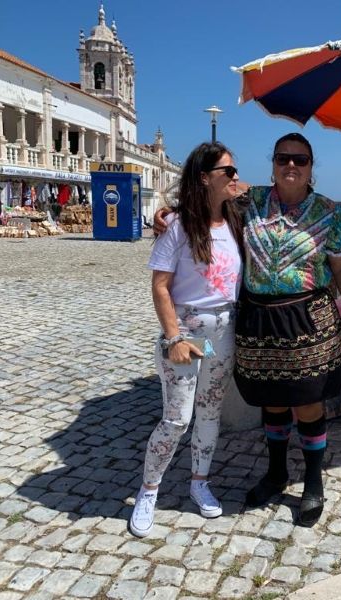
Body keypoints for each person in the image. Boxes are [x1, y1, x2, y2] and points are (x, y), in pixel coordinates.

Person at [155, 132, 341, 527]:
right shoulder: (249, 202)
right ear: (272, 164)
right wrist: (170, 213)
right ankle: (276, 473)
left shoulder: (330, 213)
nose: (291, 165)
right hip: (259, 322)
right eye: (283, 158)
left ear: (311, 167)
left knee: (307, 403)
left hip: (307, 321)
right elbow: (207, 203)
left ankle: (312, 482)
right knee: (272, 402)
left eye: (300, 159)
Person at [129, 142, 243, 538]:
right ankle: (148, 491)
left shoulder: (235, 221)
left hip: (224, 331)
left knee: (210, 413)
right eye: (227, 171)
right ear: (204, 177)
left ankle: (199, 481)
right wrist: (173, 336)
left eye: (234, 171)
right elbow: (160, 287)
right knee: (177, 418)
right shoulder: (178, 225)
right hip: (188, 332)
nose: (235, 177)